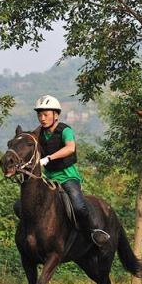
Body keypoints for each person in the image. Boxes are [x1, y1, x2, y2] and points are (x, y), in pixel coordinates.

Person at [32, 95, 111, 246]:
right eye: (39, 114)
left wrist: (48, 158)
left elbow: (70, 148)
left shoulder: (65, 130)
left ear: (55, 115)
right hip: (47, 177)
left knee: (78, 206)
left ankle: (94, 231)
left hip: (67, 177)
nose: (42, 118)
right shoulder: (39, 133)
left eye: (45, 114)